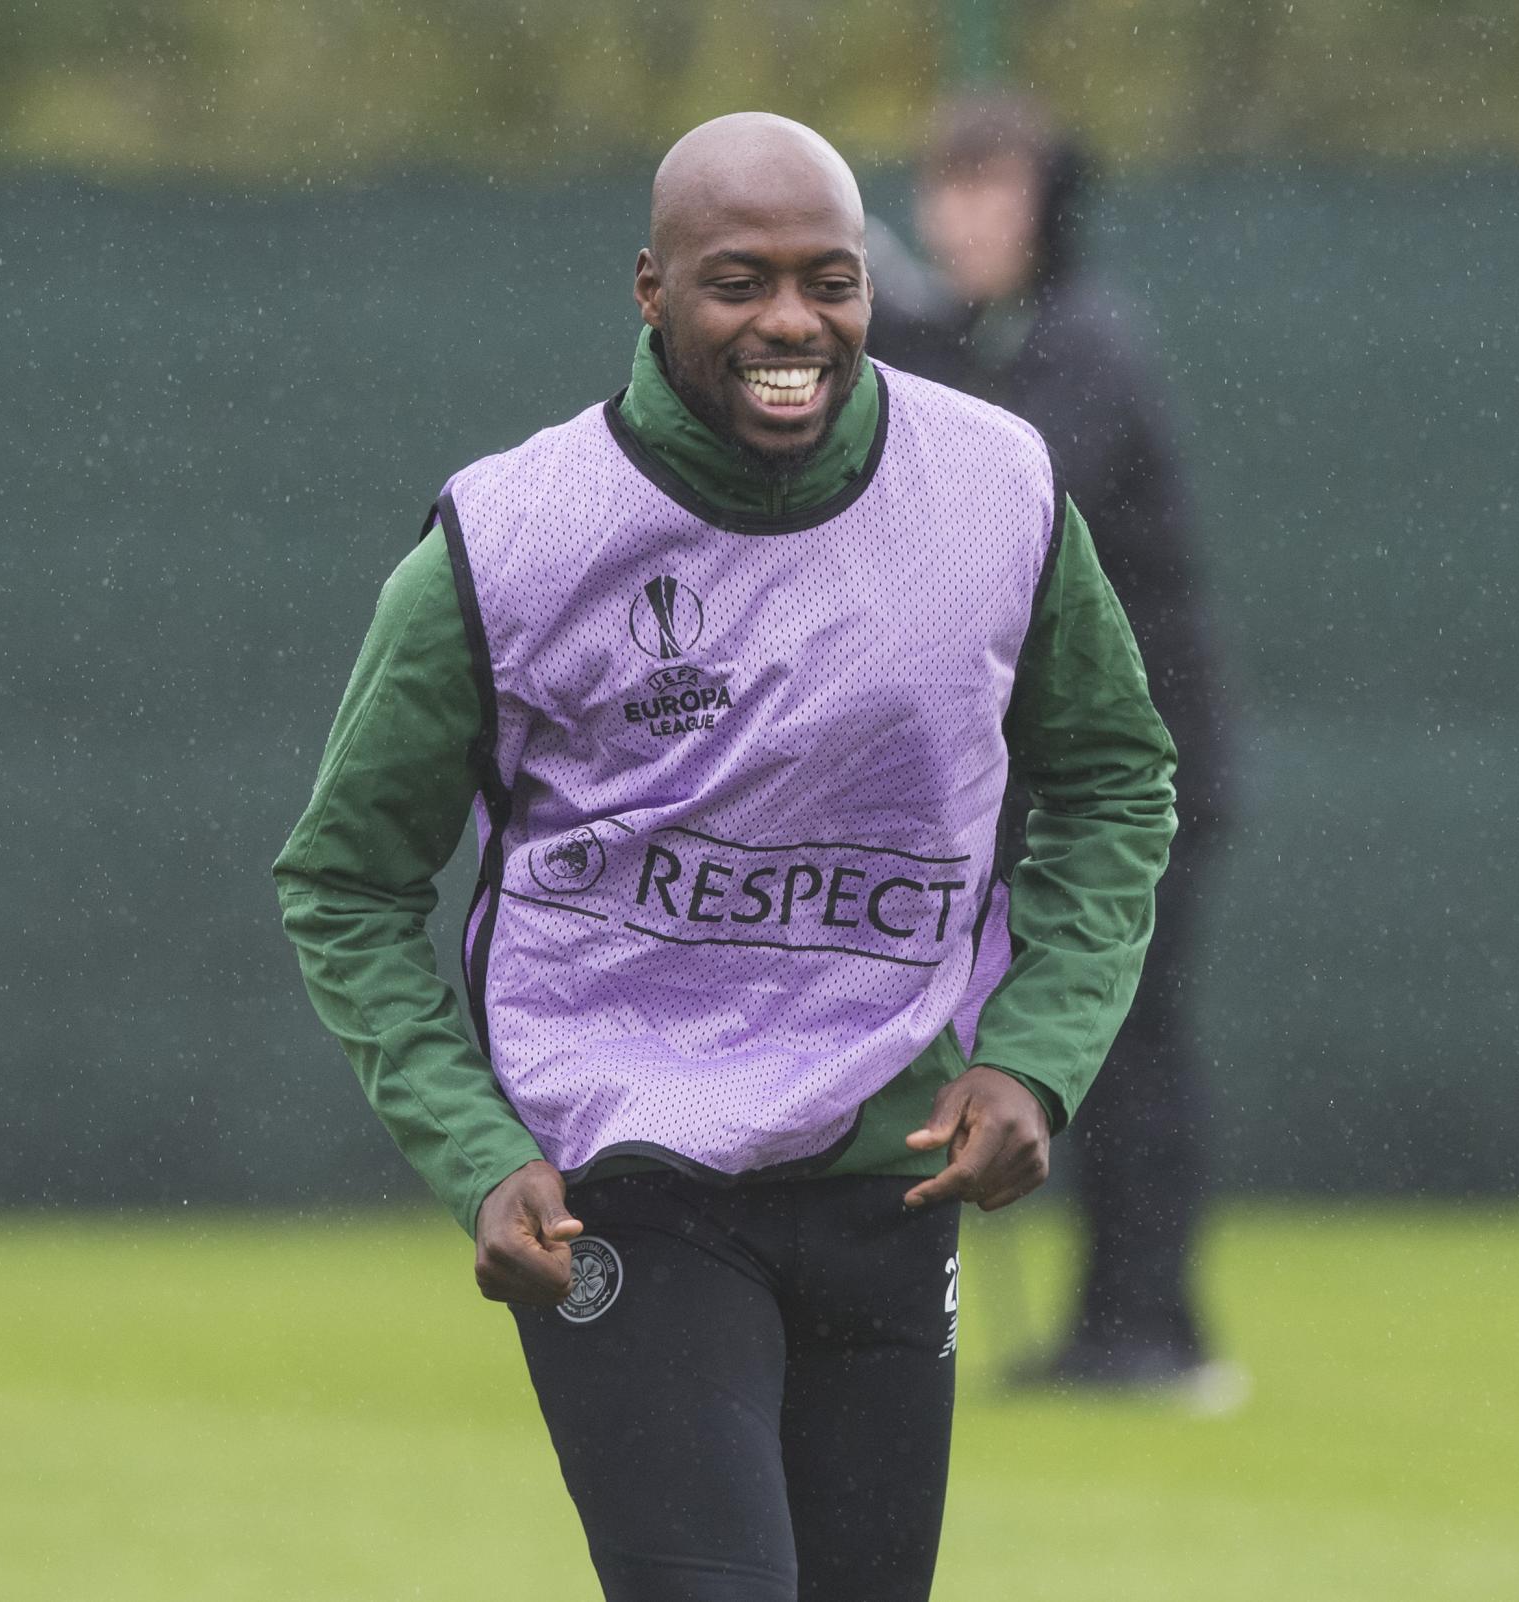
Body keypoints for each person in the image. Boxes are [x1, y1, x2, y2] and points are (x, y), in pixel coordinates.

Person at [270, 112, 1176, 1602]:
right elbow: (346, 878)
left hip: (891, 1175)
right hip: (629, 1180)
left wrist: (1033, 1054)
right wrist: (475, 1149)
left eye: (830, 281)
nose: (791, 324)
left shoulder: (995, 488)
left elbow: (1116, 775)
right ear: (650, 289)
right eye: (739, 282)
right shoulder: (515, 537)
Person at [872, 94, 1234, 1397]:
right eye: (947, 186)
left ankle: (1153, 1330)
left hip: (1140, 781)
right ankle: (1126, 1327)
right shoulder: (987, 342)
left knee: (1128, 1040)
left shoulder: (1087, 349)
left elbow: (1013, 489)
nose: (963, 214)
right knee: (1091, 1043)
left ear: (1048, 207)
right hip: (1058, 782)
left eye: (994, 189)